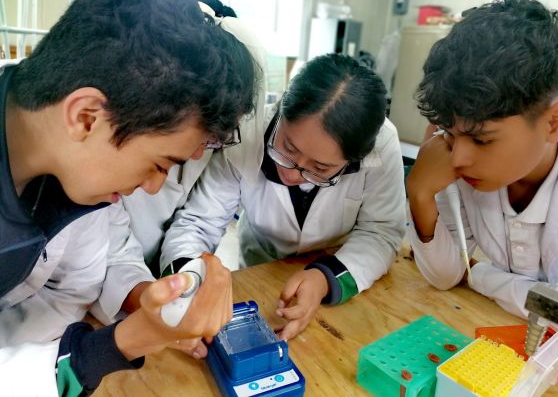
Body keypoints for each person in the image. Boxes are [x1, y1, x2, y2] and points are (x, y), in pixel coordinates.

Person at [0, 0, 260, 396]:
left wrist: (154, 311)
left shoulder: (77, 175)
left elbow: (72, 294)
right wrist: (117, 343)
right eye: (159, 164)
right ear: (86, 116)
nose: (155, 188)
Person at [157, 53, 407, 341]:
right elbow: (199, 222)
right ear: (282, 110)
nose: (292, 175)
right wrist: (190, 282)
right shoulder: (247, 132)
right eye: (287, 147)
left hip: (339, 267)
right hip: (261, 266)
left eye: (320, 168)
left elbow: (380, 231)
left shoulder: (382, 144)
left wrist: (325, 279)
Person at [90, 0, 266, 361]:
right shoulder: (100, 162)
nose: (200, 151)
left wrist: (171, 293)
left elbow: (198, 218)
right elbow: (104, 242)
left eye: (217, 138)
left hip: (140, 286)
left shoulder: (212, 145)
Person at [406, 0, 558, 318]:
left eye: (482, 140)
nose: (458, 158)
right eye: (449, 132)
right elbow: (445, 276)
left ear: (555, 123)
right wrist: (419, 193)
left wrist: (480, 276)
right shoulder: (457, 156)